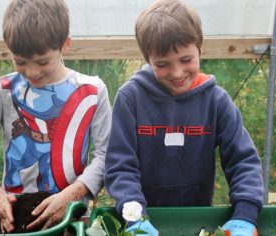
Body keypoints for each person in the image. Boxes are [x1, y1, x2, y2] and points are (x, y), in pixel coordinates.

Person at [104, 0, 264, 235]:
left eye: (186, 60)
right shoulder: (131, 98)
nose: (177, 72)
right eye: (163, 64)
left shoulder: (216, 101)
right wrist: (135, 217)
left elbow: (243, 161)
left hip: (196, 219)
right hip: (143, 218)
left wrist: (245, 214)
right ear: (147, 59)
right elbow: (120, 166)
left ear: (201, 47)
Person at [0, 0, 111, 233]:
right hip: (16, 217)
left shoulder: (92, 91)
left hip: (72, 216)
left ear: (65, 44)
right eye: (20, 62)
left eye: (43, 62)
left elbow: (105, 155)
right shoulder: (3, 89)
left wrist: (71, 196)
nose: (32, 72)